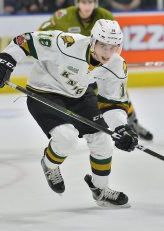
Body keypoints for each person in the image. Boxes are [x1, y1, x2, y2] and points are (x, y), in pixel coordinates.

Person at [0, 19, 138, 207]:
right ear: (93, 42)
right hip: (44, 91)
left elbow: (113, 103)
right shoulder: (67, 43)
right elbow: (24, 40)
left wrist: (121, 128)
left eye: (114, 47)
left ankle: (100, 190)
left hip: (80, 94)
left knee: (103, 140)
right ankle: (49, 165)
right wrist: (4, 64)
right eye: (103, 46)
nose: (108, 53)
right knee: (67, 139)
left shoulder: (117, 65)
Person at [38, 0, 153, 141]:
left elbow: (113, 42)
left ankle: (133, 123)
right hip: (75, 69)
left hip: (99, 65)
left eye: (91, 2)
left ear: (96, 3)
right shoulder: (63, 16)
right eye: (84, 2)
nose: (87, 6)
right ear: (77, 3)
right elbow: (42, 34)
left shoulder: (105, 16)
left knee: (117, 93)